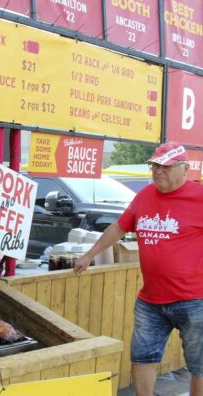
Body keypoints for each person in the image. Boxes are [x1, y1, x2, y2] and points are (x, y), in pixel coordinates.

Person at [74, 142, 203, 396]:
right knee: (142, 359)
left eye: (164, 167)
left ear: (184, 168)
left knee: (199, 366)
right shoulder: (145, 195)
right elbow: (119, 227)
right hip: (151, 300)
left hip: (194, 300)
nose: (157, 172)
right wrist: (89, 254)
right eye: (154, 166)